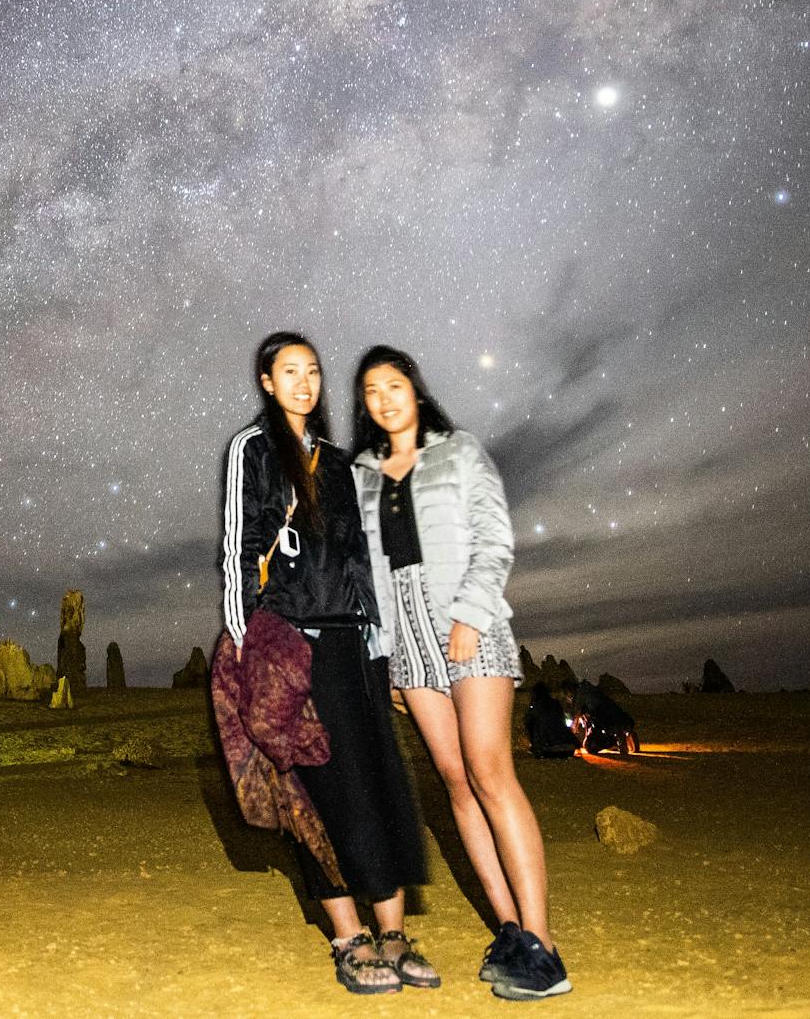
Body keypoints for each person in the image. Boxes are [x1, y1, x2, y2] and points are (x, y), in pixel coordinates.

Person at [352, 345, 572, 1001]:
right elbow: (367, 573)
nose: (385, 398)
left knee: (489, 770)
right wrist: (384, 651)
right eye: (371, 391)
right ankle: (508, 930)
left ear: (415, 389)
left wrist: (473, 614)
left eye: (395, 384)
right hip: (407, 637)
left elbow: (494, 539)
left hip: (463, 618)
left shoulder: (460, 451)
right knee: (453, 781)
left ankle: (542, 943)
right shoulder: (363, 474)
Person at [218, 331, 433, 995]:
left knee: (377, 783)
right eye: (290, 372)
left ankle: (393, 931)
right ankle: (348, 935)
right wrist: (250, 644)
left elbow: (369, 554)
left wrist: (386, 646)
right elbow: (238, 549)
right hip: (292, 642)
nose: (305, 383)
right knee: (316, 792)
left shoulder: (342, 462)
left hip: (355, 643)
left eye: (312, 371)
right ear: (266, 380)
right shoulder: (253, 449)